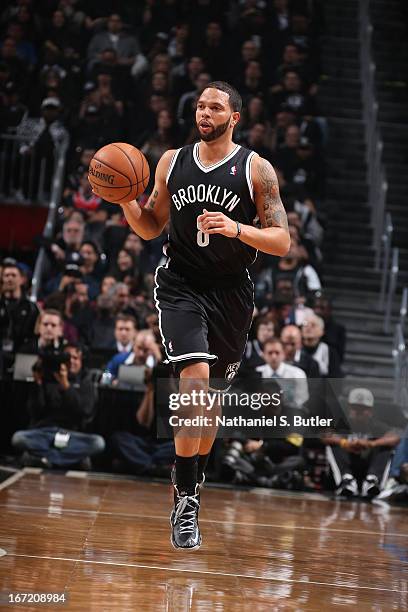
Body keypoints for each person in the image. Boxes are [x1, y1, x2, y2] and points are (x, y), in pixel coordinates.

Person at [106, 81, 290, 549]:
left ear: (235, 118)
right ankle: (184, 501)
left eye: (215, 107)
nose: (204, 112)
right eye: (200, 106)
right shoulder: (171, 161)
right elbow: (150, 226)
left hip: (231, 294)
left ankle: (191, 485)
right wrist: (126, 199)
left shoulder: (256, 170)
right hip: (180, 284)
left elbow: (283, 241)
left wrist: (236, 228)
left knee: (208, 408)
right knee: (194, 382)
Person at [11, 342, 105, 468]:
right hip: (44, 433)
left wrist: (66, 385)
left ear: (82, 362)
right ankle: (71, 460)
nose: (71, 361)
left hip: (71, 436)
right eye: (67, 358)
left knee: (98, 443)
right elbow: (35, 412)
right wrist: (38, 383)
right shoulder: (46, 380)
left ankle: (43, 458)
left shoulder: (86, 383)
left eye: (75, 358)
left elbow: (84, 411)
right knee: (18, 438)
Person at [322, 388, 400, 499]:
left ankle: (372, 480)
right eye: (355, 408)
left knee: (386, 447)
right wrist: (345, 443)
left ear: (370, 410)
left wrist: (371, 444)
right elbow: (324, 434)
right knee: (333, 445)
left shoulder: (376, 425)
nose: (359, 412)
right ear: (349, 408)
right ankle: (346, 480)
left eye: (363, 409)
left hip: (368, 467)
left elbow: (396, 437)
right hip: (348, 465)